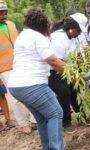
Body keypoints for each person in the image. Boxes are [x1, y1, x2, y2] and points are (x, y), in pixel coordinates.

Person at [8, 7, 65, 150]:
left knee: (43, 118)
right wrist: (73, 72)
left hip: (16, 86)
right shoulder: (38, 37)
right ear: (43, 23)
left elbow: (43, 61)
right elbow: (52, 60)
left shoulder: (23, 35)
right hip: (32, 85)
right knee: (55, 113)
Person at [0, 0, 36, 134]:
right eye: (0, 13)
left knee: (29, 91)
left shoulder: (11, 25)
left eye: (5, 12)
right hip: (4, 69)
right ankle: (23, 124)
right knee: (14, 97)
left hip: (20, 64)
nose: (4, 15)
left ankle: (33, 120)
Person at [49, 17, 86, 129]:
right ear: (71, 29)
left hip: (70, 70)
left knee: (76, 91)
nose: (78, 35)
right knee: (64, 94)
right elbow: (57, 62)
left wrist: (81, 71)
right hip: (55, 71)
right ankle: (65, 122)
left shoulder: (73, 36)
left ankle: (82, 116)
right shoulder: (58, 38)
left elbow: (78, 54)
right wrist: (73, 75)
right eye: (77, 32)